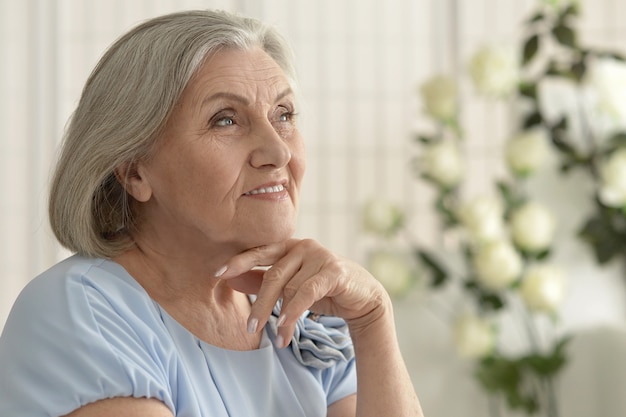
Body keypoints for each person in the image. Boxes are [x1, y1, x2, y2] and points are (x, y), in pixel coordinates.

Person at [0, 9, 423, 417]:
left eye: (284, 115)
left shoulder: (307, 316)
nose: (277, 151)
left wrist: (372, 319)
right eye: (226, 120)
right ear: (134, 173)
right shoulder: (81, 312)